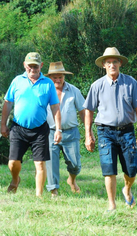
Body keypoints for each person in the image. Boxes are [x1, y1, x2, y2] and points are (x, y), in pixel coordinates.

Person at [84, 47, 137, 211]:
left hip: (127, 131)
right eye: (108, 62)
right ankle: (112, 204)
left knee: (132, 168)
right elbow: (89, 110)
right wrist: (88, 134)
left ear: (120, 63)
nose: (112, 65)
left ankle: (127, 189)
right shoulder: (97, 86)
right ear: (104, 65)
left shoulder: (130, 83)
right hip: (105, 132)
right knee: (108, 167)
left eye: (115, 61)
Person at [0, 52, 62, 197]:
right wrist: (3, 125)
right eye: (30, 66)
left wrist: (58, 129)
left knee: (40, 164)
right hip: (18, 128)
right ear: (24, 65)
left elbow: (55, 107)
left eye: (35, 66)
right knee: (13, 163)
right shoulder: (17, 81)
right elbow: (8, 103)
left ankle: (38, 196)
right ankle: (15, 179)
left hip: (40, 130)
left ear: (41, 66)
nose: (32, 69)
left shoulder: (48, 83)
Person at [45, 61, 85, 197]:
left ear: (64, 76)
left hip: (70, 132)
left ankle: (72, 180)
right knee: (51, 162)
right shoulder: (45, 91)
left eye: (60, 77)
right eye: (54, 77)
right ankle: (53, 190)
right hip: (50, 132)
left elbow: (82, 110)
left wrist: (87, 129)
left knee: (75, 164)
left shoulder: (74, 90)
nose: (57, 80)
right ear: (50, 78)